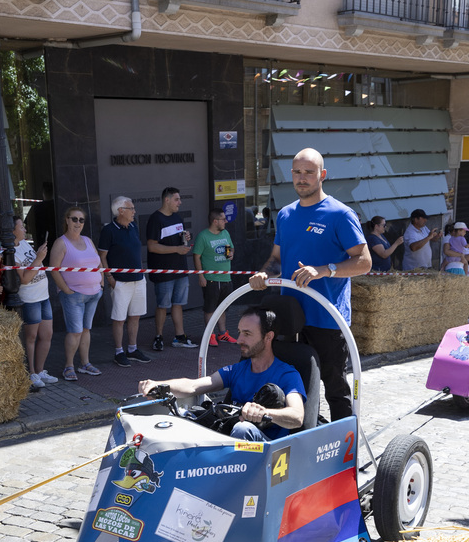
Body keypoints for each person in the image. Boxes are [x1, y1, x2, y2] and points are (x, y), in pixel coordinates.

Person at [249, 147, 371, 421]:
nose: (302, 178)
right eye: (297, 172)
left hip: (326, 319)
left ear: (322, 175)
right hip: (289, 319)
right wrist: (263, 275)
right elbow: (276, 259)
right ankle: (302, 443)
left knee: (334, 388)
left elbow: (364, 262)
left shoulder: (340, 214)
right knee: (294, 386)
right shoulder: (286, 215)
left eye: (309, 172)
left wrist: (325, 270)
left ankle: (345, 449)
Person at [137, 307, 306, 441]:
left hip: (269, 451)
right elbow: (194, 385)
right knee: (185, 418)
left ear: (268, 337)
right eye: (239, 332)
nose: (239, 339)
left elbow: (297, 416)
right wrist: (159, 385)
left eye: (247, 334)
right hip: (231, 442)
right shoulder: (237, 370)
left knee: (243, 429)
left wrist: (264, 413)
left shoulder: (287, 375)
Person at [96, 198, 151, 368]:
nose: (134, 211)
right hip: (120, 281)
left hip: (138, 279)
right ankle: (119, 351)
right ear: (120, 210)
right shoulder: (108, 230)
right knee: (119, 318)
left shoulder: (134, 226)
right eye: (131, 208)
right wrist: (110, 278)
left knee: (135, 315)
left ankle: (132, 349)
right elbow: (102, 256)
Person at [51, 210, 104, 379]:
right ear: (67, 220)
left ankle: (85, 363)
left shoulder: (88, 240)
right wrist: (66, 290)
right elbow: (54, 270)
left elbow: (98, 262)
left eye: (81, 220)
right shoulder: (61, 243)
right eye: (74, 219)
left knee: (85, 329)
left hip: (93, 293)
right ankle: (69, 366)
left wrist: (101, 282)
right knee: (75, 331)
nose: (78, 222)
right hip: (74, 295)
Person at [147, 187, 196, 350]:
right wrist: (176, 249)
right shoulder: (155, 219)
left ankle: (179, 337)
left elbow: (178, 238)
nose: (180, 202)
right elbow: (152, 246)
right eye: (177, 199)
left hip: (180, 268)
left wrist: (185, 237)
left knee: (178, 303)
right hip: (163, 271)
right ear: (166, 200)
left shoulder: (177, 217)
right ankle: (158, 337)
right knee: (163, 305)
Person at [12, 218, 56, 388]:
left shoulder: (24, 244)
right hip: (30, 298)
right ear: (12, 231)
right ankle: (31, 373)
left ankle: (40, 370)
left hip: (43, 296)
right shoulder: (10, 252)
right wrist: (39, 258)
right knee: (31, 336)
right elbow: (24, 279)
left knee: (47, 334)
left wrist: (38, 255)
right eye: (21, 227)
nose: (24, 229)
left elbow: (35, 265)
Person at [192, 208, 236, 346]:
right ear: (215, 221)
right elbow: (196, 257)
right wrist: (201, 276)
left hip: (226, 277)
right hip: (211, 278)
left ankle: (223, 334)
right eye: (223, 219)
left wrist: (231, 253)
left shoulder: (225, 233)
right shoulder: (203, 236)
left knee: (222, 307)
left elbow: (230, 247)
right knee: (210, 308)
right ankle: (209, 335)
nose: (226, 221)